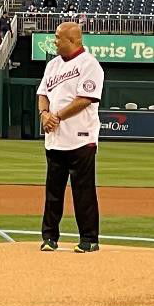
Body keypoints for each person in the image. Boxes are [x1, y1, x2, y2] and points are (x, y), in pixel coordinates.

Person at [37, 22, 104, 253]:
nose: (54, 41)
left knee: (83, 190)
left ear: (73, 40)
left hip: (81, 137)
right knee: (53, 191)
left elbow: (85, 98)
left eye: (58, 38)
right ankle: (49, 237)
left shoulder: (90, 64)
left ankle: (89, 239)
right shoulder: (53, 65)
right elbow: (43, 93)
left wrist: (56, 116)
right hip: (55, 138)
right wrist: (44, 114)